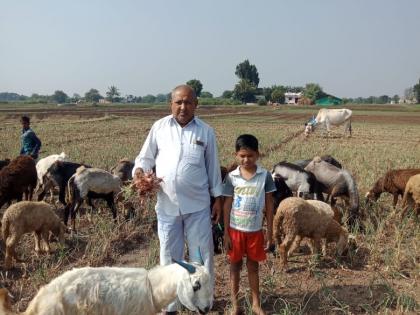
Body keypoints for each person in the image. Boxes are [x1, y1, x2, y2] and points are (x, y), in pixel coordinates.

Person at [132, 85, 222, 314]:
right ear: (171, 104)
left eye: (188, 102)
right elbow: (144, 158)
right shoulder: (159, 127)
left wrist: (218, 199)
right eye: (178, 102)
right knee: (169, 258)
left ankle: (201, 304)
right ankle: (170, 306)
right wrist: (140, 175)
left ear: (196, 104)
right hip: (167, 206)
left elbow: (213, 169)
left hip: (198, 207)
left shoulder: (205, 132)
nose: (183, 107)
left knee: (200, 259)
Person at [222, 134, 275, 315]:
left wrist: (270, 233)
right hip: (236, 230)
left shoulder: (265, 176)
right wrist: (226, 233)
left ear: (258, 154)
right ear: (236, 155)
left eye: (250, 156)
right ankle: (235, 305)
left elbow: (269, 204)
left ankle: (255, 303)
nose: (246, 159)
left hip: (255, 231)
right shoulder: (231, 177)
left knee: (253, 267)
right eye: (242, 156)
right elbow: (227, 204)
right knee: (234, 266)